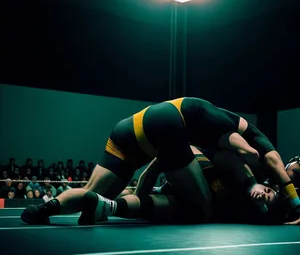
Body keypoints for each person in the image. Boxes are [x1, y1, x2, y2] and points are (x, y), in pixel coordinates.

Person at [21, 97, 297, 225]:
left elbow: (159, 163)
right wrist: (285, 198)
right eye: (269, 192)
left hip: (130, 128)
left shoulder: (215, 133)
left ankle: (46, 209)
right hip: (167, 123)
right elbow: (254, 156)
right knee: (203, 210)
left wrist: (143, 186)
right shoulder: (236, 139)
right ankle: (114, 206)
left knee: (95, 192)